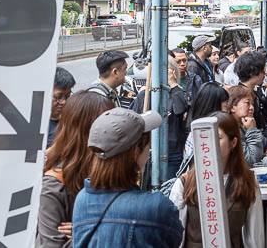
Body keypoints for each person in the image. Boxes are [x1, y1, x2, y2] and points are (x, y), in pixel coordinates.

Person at [72, 108, 183, 247]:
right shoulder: (157, 207)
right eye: (148, 143)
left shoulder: (82, 199)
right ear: (137, 151)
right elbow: (175, 239)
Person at [169, 112, 264, 248]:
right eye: (205, 138)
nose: (210, 143)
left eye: (217, 137)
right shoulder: (184, 184)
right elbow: (176, 238)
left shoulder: (248, 183)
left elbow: (255, 239)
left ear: (233, 143)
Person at [37, 92, 113, 248]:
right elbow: (51, 245)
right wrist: (89, 234)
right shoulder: (53, 186)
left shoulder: (108, 169)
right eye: (107, 125)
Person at [130, 57, 189, 176]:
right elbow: (134, 119)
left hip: (173, 151)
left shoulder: (177, 92)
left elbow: (180, 110)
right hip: (148, 151)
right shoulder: (145, 94)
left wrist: (173, 85)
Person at [234, 51, 267, 148]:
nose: (265, 74)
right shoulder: (240, 98)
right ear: (252, 72)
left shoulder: (255, 91)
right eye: (262, 71)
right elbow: (249, 130)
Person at [183, 82, 230, 163]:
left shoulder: (197, 131)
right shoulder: (202, 135)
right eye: (226, 105)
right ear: (215, 107)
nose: (228, 110)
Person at [226, 86, 264, 167]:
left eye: (252, 104)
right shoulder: (230, 129)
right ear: (232, 107)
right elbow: (252, 160)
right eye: (247, 103)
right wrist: (252, 130)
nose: (252, 108)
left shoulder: (242, 124)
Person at [47, 67, 76, 148]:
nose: (64, 102)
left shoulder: (71, 118)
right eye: (58, 97)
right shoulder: (38, 125)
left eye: (67, 96)